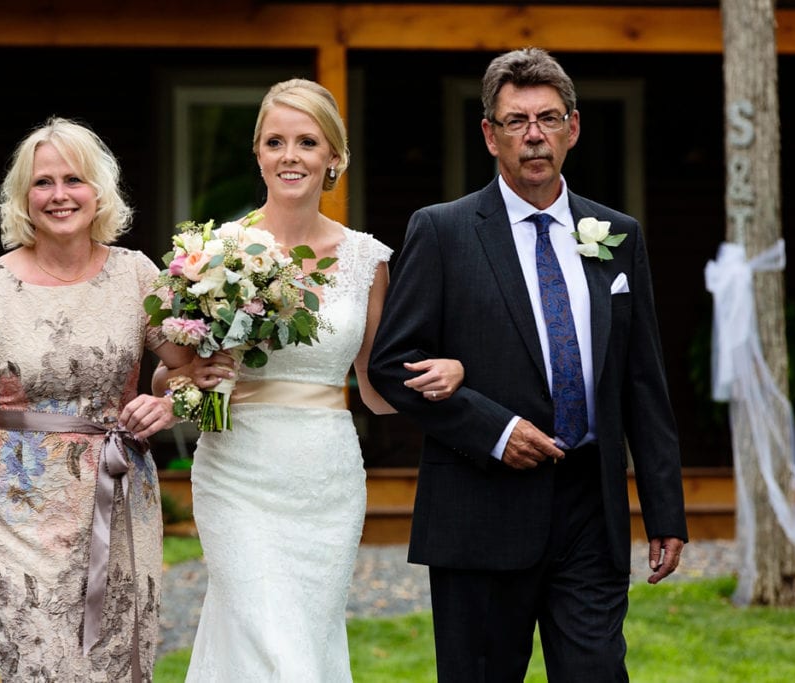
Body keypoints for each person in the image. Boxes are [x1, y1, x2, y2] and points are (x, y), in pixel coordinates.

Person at [368, 48, 688, 682]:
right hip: (481, 509)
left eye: (547, 118)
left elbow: (643, 380)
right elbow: (391, 365)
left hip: (590, 509)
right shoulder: (443, 231)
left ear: (573, 127)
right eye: (516, 121)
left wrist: (665, 508)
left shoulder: (617, 233)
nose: (534, 135)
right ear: (490, 135)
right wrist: (495, 428)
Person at [155, 78, 464, 682]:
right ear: (259, 153)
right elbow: (175, 376)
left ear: (334, 158)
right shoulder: (213, 254)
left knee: (305, 638)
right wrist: (194, 378)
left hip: (326, 480)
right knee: (265, 636)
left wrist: (449, 375)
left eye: (306, 141)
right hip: (236, 472)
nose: (290, 155)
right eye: (275, 141)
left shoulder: (368, 260)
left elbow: (377, 387)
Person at [0, 116, 194, 682]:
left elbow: (195, 374)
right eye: (43, 182)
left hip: (121, 500)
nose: (59, 195)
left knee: (118, 666)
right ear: (23, 197)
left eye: (73, 180)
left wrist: (169, 405)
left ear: (98, 191)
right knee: (41, 666)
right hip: (16, 509)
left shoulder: (138, 276)